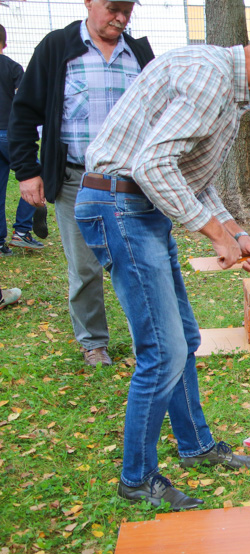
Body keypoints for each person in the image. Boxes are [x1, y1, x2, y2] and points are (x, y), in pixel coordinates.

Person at [76, 22, 250, 510]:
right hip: (120, 206)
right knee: (161, 352)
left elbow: (189, 174)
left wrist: (239, 233)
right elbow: (152, 167)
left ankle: (196, 446)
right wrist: (213, 234)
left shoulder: (227, 86)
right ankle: (137, 478)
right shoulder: (209, 78)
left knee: (182, 341)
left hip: (141, 208)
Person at [9, 0, 154, 367]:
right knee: (85, 266)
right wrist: (28, 171)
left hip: (131, 182)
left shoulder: (139, 52)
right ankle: (94, 342)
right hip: (77, 178)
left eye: (127, 10)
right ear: (89, 2)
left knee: (137, 263)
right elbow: (24, 112)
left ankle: (149, 341)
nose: (120, 18)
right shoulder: (57, 47)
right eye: (112, 8)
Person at [0, 24, 44, 256]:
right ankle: (22, 230)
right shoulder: (12, 67)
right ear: (5, 43)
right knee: (34, 176)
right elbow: (26, 98)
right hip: (9, 134)